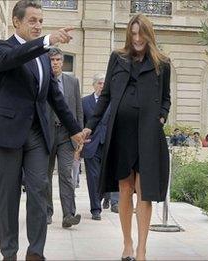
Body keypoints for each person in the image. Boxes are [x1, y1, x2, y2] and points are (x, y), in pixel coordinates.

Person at [0, 1, 84, 259]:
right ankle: (9, 253)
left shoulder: (43, 55)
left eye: (41, 21)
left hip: (38, 135)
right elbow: (14, 58)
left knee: (39, 191)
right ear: (16, 22)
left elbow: (55, 96)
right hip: (8, 134)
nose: (38, 25)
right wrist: (46, 40)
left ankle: (35, 252)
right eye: (32, 20)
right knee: (7, 196)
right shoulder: (0, 48)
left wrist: (75, 129)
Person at [83, 14, 171, 261]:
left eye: (140, 33)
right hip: (121, 132)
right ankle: (127, 243)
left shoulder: (161, 63)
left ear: (148, 34)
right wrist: (90, 126)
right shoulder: (117, 58)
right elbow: (107, 96)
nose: (137, 38)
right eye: (132, 34)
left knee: (145, 191)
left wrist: (161, 118)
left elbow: (166, 98)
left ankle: (142, 249)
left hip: (149, 134)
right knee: (124, 187)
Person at [45, 47, 82, 227]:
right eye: (52, 60)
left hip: (66, 135)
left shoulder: (73, 82)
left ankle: (68, 215)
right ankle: (46, 212)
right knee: (45, 175)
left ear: (62, 61)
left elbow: (78, 110)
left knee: (66, 174)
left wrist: (79, 136)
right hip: (46, 134)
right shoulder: (42, 81)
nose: (56, 63)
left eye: (58, 59)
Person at [82, 73, 119, 221]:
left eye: (105, 84)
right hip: (91, 145)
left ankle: (111, 199)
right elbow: (81, 123)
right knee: (93, 178)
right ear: (94, 85)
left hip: (109, 144)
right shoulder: (84, 102)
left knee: (110, 175)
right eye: (100, 83)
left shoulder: (113, 102)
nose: (102, 86)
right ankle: (95, 209)